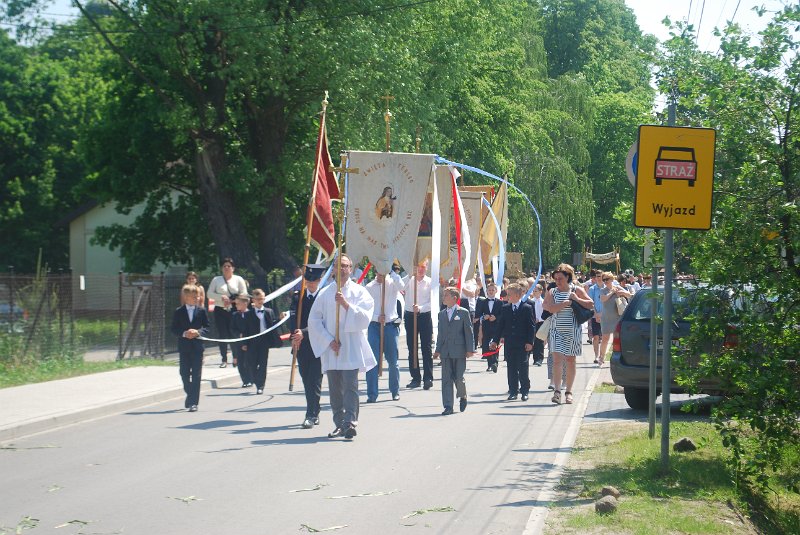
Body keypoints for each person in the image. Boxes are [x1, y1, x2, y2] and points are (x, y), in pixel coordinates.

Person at [308, 255, 376, 440]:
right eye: (338, 266)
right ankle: (339, 424)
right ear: (333, 269)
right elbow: (314, 321)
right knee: (335, 390)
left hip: (350, 347)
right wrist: (328, 340)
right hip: (332, 349)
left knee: (350, 387)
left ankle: (350, 422)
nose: (342, 269)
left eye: (345, 266)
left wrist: (345, 304)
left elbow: (365, 318)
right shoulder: (324, 293)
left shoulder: (359, 292)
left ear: (351, 269)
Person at [543, 263, 593, 405]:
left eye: (560, 278)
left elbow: (590, 304)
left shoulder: (577, 289)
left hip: (573, 330)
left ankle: (569, 391)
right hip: (556, 330)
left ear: (568, 277)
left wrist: (576, 299)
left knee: (571, 360)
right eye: (556, 279)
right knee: (557, 360)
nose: (557, 281)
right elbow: (550, 308)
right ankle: (557, 391)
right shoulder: (552, 291)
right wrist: (565, 303)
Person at [290, 264, 326, 429]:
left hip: (318, 344)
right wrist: (294, 336)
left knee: (315, 381)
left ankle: (310, 414)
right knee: (306, 381)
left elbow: (323, 323)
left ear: (319, 280)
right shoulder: (298, 297)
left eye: (314, 280)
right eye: (308, 280)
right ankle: (315, 410)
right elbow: (293, 319)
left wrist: (303, 332)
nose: (311, 283)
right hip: (301, 345)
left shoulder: (323, 298)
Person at [489, 283, 535, 401]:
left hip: (522, 343)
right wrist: (495, 341)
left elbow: (531, 327)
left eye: (510, 294)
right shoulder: (505, 308)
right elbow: (500, 326)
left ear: (518, 295)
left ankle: (525, 390)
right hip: (510, 343)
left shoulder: (527, 308)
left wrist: (530, 342)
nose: (507, 296)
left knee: (523, 367)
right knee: (511, 367)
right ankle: (513, 391)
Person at [434, 287, 474, 415]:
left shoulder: (463, 312)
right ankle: (448, 406)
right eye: (443, 295)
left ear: (454, 298)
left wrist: (470, 349)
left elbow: (468, 332)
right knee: (446, 379)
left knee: (458, 378)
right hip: (445, 351)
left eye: (446, 295)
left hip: (459, 350)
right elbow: (440, 334)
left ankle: (463, 396)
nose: (443, 297)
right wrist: (437, 350)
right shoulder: (441, 314)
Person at [365, 270, 403, 403]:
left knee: (393, 361)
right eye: (378, 270)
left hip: (390, 326)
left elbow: (402, 286)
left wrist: (391, 271)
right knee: (372, 361)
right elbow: (365, 309)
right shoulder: (369, 287)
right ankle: (372, 394)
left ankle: (395, 390)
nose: (380, 273)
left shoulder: (392, 283)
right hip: (374, 326)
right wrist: (376, 317)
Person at [170, 284, 209, 412]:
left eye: (198, 296)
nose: (197, 299)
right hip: (184, 347)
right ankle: (190, 393)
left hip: (197, 347)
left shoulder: (202, 311)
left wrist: (198, 332)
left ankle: (193, 403)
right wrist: (184, 333)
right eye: (194, 297)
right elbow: (174, 328)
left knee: (196, 375)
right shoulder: (179, 311)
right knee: (184, 373)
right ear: (186, 297)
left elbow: (207, 328)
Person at [207, 258, 249, 368]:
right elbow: (209, 294)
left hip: (234, 310)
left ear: (233, 268)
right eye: (224, 266)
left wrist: (232, 300)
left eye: (229, 266)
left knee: (233, 333)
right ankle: (224, 359)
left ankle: (236, 357)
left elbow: (244, 294)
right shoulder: (216, 280)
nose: (226, 268)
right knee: (222, 335)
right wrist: (221, 297)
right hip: (220, 310)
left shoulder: (238, 279)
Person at [402, 260, 434, 390]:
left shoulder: (430, 282)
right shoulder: (409, 279)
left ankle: (428, 377)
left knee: (426, 347)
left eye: (423, 267)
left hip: (424, 315)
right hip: (410, 316)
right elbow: (399, 287)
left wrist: (420, 308)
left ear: (427, 267)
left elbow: (433, 301)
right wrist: (410, 274)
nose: (420, 269)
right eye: (418, 267)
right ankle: (415, 378)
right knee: (412, 347)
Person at [598, 271, 632, 366]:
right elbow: (603, 299)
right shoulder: (603, 290)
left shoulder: (618, 287)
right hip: (606, 318)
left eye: (607, 279)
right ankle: (601, 357)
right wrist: (612, 292)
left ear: (612, 279)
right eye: (604, 280)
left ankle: (615, 357)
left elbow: (629, 295)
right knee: (605, 338)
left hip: (617, 317)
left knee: (616, 339)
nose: (605, 281)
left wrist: (622, 292)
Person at [249, 288, 278, 395]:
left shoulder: (269, 311)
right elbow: (246, 330)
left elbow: (273, 324)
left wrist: (280, 319)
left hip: (264, 341)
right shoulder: (249, 314)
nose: (261, 301)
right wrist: (244, 344)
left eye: (262, 299)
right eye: (258, 299)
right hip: (252, 342)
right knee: (252, 364)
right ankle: (256, 380)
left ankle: (260, 385)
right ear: (253, 300)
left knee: (263, 364)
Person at [229, 294, 255, 388]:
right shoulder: (235, 315)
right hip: (239, 342)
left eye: (238, 303)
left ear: (245, 303)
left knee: (249, 362)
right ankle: (245, 380)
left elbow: (253, 328)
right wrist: (238, 335)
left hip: (250, 342)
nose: (236, 305)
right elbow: (232, 328)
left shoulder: (251, 314)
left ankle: (251, 379)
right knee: (240, 362)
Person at [475, 281, 501, 372]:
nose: (491, 291)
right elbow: (478, 314)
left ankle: (495, 363)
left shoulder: (499, 302)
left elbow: (502, 315)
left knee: (495, 344)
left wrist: (496, 317)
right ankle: (490, 364)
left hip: (496, 327)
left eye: (492, 290)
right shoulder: (483, 302)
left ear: (496, 291)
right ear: (486, 291)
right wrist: (483, 317)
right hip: (486, 327)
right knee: (486, 345)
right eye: (489, 290)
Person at [587, 270, 605, 363]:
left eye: (600, 276)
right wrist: (596, 314)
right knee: (596, 337)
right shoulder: (592, 289)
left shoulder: (607, 288)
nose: (598, 278)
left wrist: (602, 314)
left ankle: (602, 356)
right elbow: (591, 303)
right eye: (597, 276)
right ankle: (596, 356)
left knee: (605, 338)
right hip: (595, 316)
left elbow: (608, 302)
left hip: (605, 316)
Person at [531, 284, 545, 366]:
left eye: (536, 291)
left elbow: (544, 313)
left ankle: (539, 358)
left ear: (540, 292)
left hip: (540, 322)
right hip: (532, 322)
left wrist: (538, 319)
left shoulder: (543, 302)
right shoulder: (531, 301)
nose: (534, 292)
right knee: (533, 340)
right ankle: (534, 358)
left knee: (539, 341)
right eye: (533, 291)